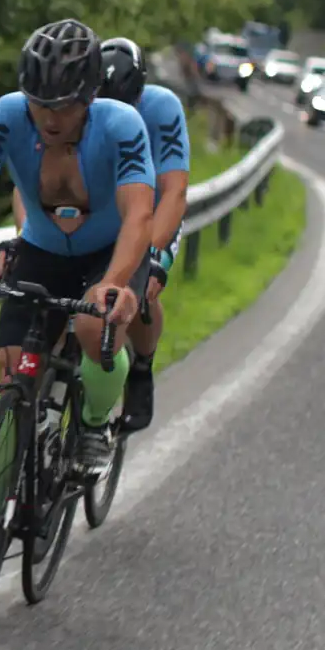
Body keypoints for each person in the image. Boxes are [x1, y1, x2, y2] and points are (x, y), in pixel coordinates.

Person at [0, 18, 153, 475]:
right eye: (39, 103)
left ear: (89, 96)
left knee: (94, 328)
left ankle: (94, 425)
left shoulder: (121, 124)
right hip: (43, 248)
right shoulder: (8, 114)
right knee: (11, 367)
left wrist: (115, 281)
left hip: (109, 251)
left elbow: (138, 214)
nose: (50, 118)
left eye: (65, 106)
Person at [96, 37, 188, 432]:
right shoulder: (77, 107)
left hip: (153, 208)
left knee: (142, 289)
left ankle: (141, 368)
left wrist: (153, 256)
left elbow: (174, 192)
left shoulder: (162, 107)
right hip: (103, 205)